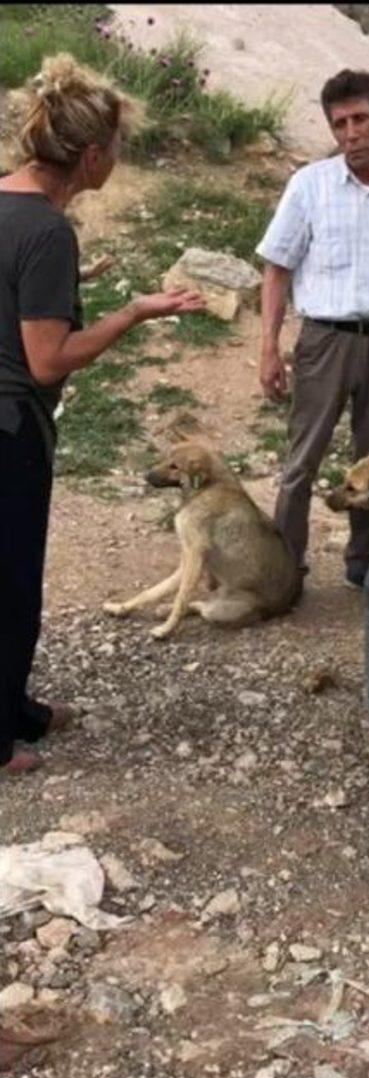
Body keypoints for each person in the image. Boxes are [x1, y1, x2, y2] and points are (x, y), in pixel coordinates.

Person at [0, 54, 205, 777]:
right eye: (117, 148)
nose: (119, 159)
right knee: (14, 583)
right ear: (90, 156)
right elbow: (49, 359)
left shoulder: (5, 200)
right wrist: (134, 311)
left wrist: (69, 283)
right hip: (11, 433)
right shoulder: (47, 233)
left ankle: (15, 708)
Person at [256, 68, 369, 592]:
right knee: (301, 459)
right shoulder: (309, 187)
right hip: (324, 340)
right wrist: (269, 347)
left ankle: (365, 564)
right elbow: (277, 267)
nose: (351, 133)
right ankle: (284, 569)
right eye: (340, 124)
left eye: (361, 119)